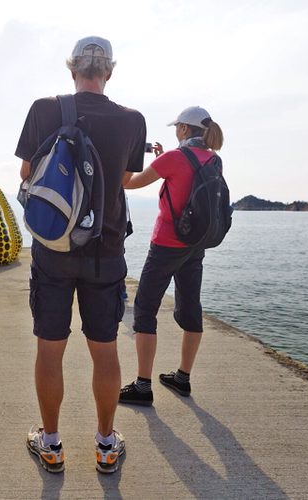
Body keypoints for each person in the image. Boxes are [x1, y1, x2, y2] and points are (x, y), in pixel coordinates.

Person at [15, 36, 147, 474]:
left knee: (50, 350)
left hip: (54, 249)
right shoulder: (133, 120)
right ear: (109, 71)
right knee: (104, 350)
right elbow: (123, 179)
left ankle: (51, 444)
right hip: (105, 250)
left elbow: (27, 173)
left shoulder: (43, 109)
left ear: (72, 70)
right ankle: (106, 445)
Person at [118, 106, 224, 407]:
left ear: (185, 129)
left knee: (145, 309)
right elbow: (187, 184)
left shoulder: (175, 158)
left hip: (166, 244)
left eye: (177, 126)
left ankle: (142, 386)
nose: (176, 130)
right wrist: (163, 161)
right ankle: (182, 377)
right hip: (195, 245)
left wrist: (131, 157)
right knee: (191, 307)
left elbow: (127, 182)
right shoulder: (214, 160)